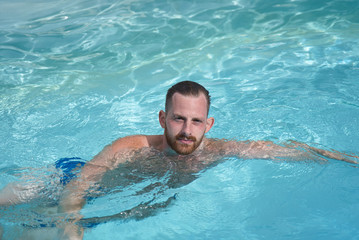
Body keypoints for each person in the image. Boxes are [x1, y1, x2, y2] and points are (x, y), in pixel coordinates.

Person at [1, 81, 358, 239]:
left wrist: (341, 157)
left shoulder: (218, 151)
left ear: (209, 124)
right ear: (162, 118)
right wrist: (72, 224)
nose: (187, 130)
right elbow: (78, 187)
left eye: (196, 121)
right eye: (178, 118)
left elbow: (283, 150)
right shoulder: (131, 146)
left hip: (108, 207)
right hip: (64, 180)